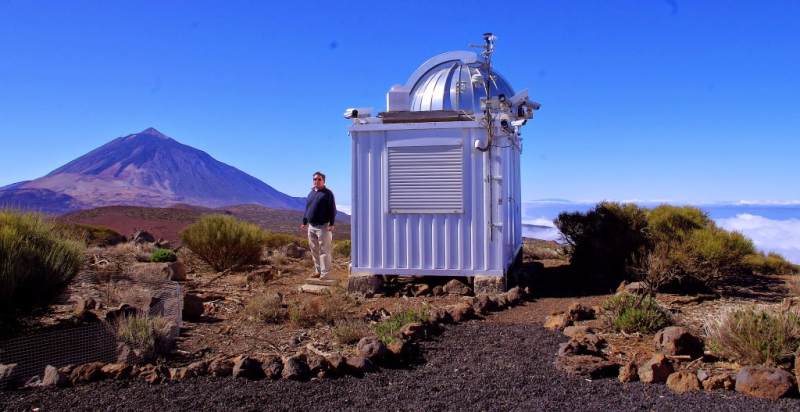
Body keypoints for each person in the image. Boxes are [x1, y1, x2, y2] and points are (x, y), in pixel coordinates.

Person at [301, 172, 336, 279]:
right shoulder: (311, 194)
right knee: (314, 250)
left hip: (323, 226)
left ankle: (325, 274)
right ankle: (318, 271)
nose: (317, 181)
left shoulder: (327, 193)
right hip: (311, 226)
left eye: (319, 179)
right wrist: (304, 222)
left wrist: (332, 224)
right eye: (315, 179)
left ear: (323, 181)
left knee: (324, 250)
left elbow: (333, 210)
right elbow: (308, 209)